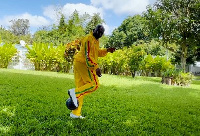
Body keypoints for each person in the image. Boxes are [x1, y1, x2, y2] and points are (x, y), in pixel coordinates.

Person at [68, 24, 115, 119]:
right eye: (98, 31)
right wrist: (96, 67)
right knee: (94, 84)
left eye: (102, 33)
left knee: (82, 88)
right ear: (94, 30)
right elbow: (88, 56)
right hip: (83, 63)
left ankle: (75, 114)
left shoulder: (96, 40)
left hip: (79, 62)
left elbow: (96, 53)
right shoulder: (88, 39)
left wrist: (107, 50)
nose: (100, 34)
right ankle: (74, 93)